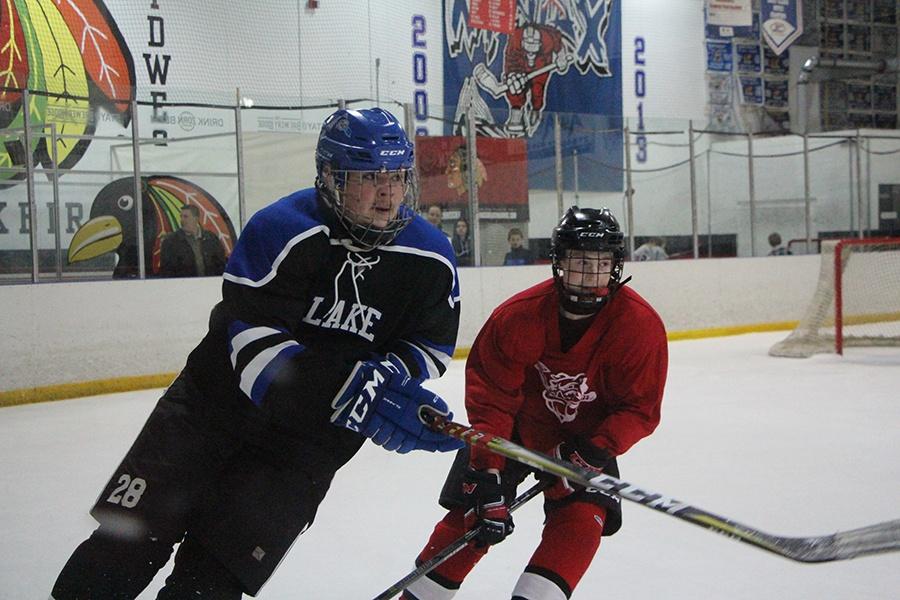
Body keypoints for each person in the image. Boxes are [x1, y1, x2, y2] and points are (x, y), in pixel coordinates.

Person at [51, 107, 465, 599]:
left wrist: (385, 378)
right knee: (120, 548)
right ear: (331, 177)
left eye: (396, 177)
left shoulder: (430, 256)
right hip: (208, 415)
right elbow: (252, 345)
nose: (388, 193)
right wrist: (351, 389)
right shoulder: (281, 228)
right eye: (368, 177)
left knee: (213, 583)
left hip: (301, 450)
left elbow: (432, 344)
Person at [400, 206, 668, 600]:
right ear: (559, 263)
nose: (590, 273)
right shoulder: (518, 317)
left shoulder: (639, 326)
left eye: (601, 263)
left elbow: (639, 408)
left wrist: (590, 453)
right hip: (512, 434)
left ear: (616, 266)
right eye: (579, 261)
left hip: (585, 439)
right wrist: (488, 471)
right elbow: (491, 400)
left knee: (581, 523)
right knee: (471, 518)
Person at [159, 203, 228, 277]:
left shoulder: (211, 238)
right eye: (181, 217)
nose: (182, 220)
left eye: (186, 217)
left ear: (196, 219)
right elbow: (166, 271)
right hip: (182, 286)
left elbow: (221, 265)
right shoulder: (170, 241)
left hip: (209, 285)